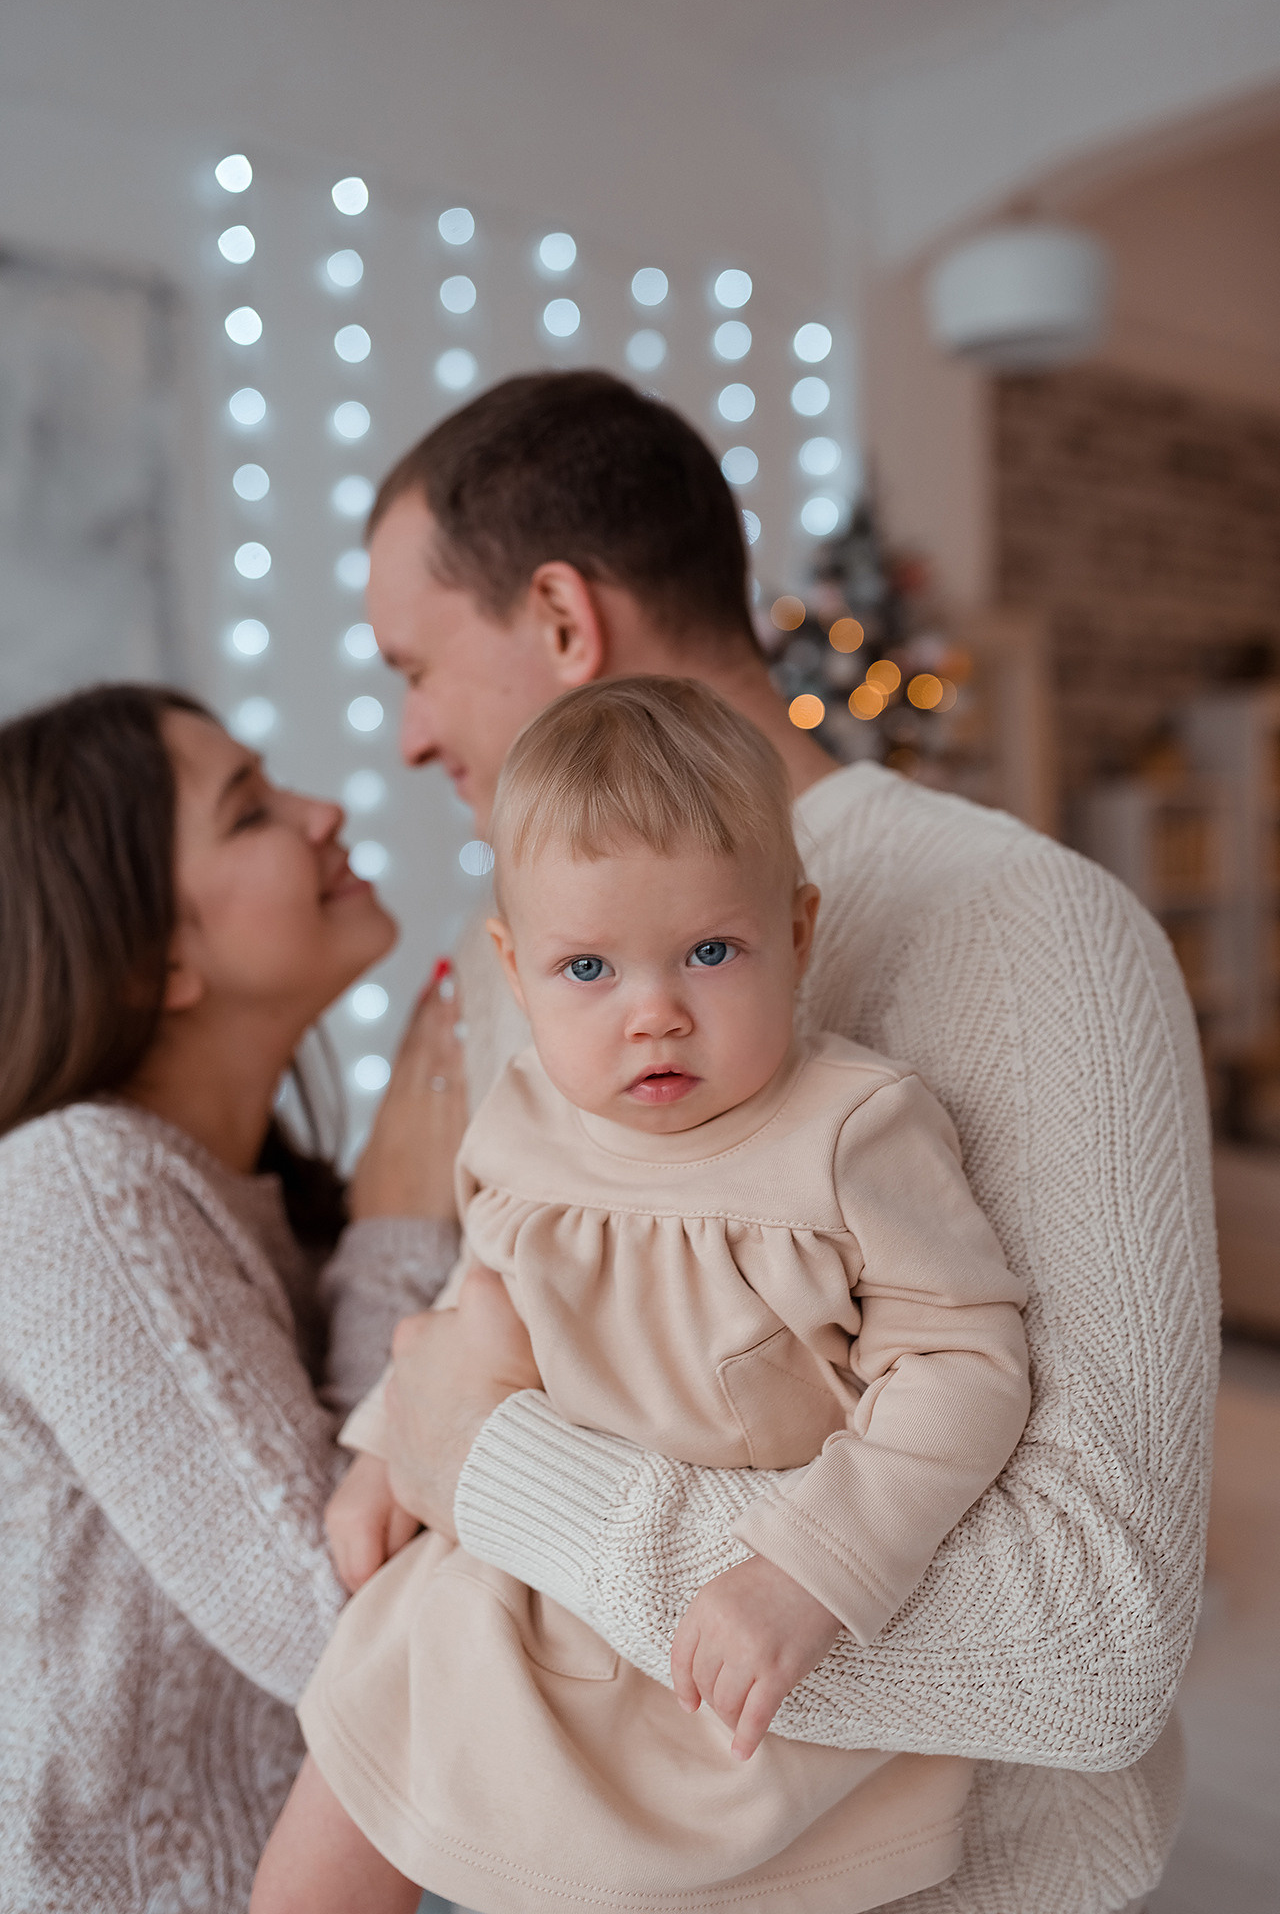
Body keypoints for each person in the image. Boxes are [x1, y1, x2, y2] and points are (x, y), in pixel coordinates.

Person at [359, 371, 1217, 1914]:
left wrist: (493, 1469)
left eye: (416, 664)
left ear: (562, 619)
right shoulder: (542, 988)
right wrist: (414, 1433)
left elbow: (1095, 1645)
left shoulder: (1038, 935)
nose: (412, 735)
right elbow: (510, 1330)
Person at [253, 678, 1031, 1914]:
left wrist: (807, 1571)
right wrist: (384, 1448)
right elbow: (481, 1295)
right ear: (514, 968)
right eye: (587, 968)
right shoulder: (523, 1118)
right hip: (523, 1583)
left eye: (711, 953)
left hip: (730, 1615)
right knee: (363, 1705)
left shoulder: (849, 1134)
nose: (653, 1011)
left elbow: (965, 1364)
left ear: (799, 933)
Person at [0, 684, 469, 1912]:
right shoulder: (72, 1186)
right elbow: (333, 1634)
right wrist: (400, 1221)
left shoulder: (258, 1197)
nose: (323, 814)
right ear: (157, 956)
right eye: (251, 810)